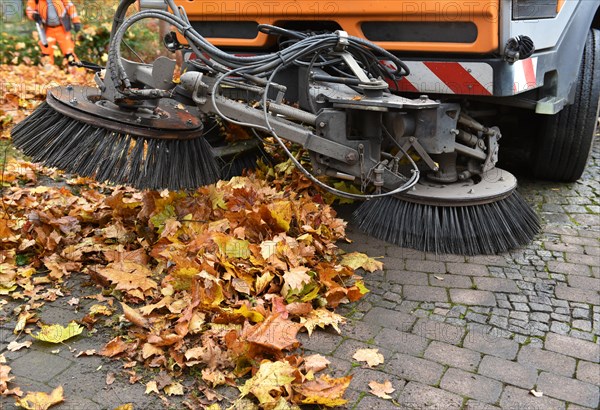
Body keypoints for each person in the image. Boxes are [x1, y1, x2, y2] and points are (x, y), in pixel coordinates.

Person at [25, 0, 81, 66]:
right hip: (47, 29)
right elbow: (29, 9)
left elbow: (70, 6)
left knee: (68, 52)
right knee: (46, 53)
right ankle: (47, 72)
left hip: (62, 28)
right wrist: (33, 15)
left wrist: (76, 21)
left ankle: (75, 71)